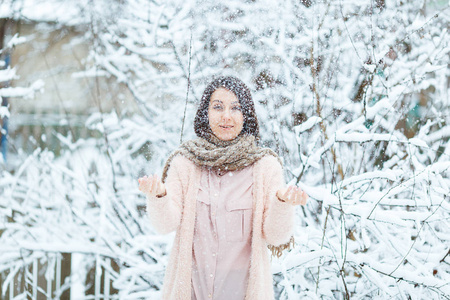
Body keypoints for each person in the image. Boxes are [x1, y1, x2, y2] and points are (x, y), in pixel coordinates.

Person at [138, 76, 308, 300]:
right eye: (218, 107)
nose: (226, 116)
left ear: (246, 116)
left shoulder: (265, 167)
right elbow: (165, 224)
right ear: (205, 113)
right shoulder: (185, 163)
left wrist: (283, 204)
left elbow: (276, 237)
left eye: (235, 108)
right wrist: (158, 196)